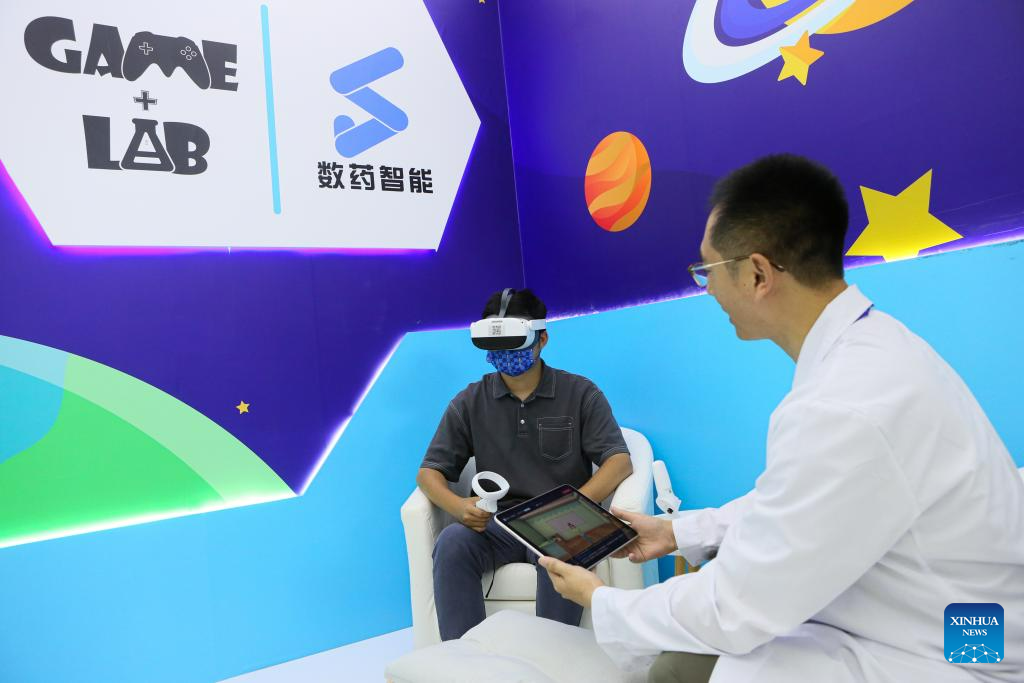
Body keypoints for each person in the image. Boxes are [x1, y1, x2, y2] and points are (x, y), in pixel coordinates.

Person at [539, 155, 1024, 682]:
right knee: (686, 658)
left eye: (708, 271)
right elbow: (800, 503)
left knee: (687, 666)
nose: (709, 290)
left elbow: (739, 606)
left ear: (757, 274)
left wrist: (604, 601)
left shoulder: (844, 403)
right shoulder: (875, 350)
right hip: (944, 619)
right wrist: (676, 531)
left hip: (961, 650)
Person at [417, 287, 634, 640]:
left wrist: (572, 505)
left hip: (561, 522)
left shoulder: (580, 393)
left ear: (542, 339)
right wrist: (458, 507)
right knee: (452, 542)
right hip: (498, 523)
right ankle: (462, 658)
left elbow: (619, 462)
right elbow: (429, 473)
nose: (506, 356)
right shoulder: (470, 401)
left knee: (562, 552)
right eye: (497, 347)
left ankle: (552, 656)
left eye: (514, 345)